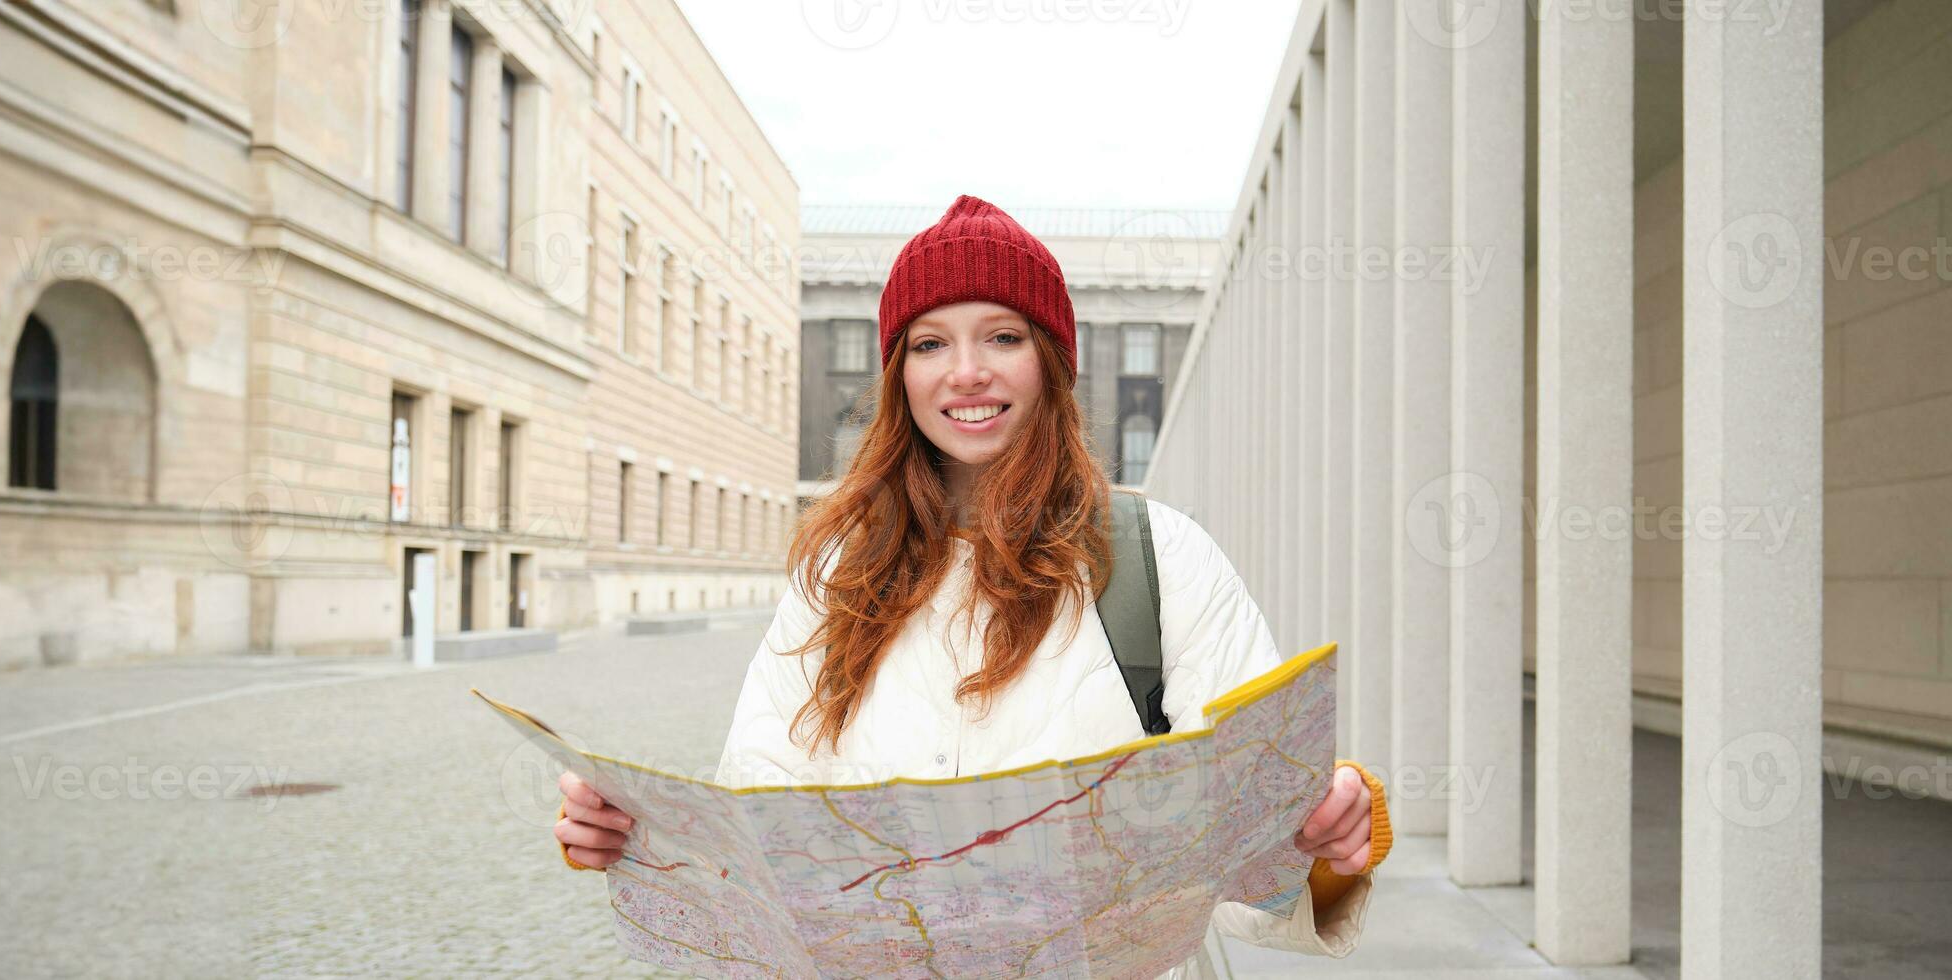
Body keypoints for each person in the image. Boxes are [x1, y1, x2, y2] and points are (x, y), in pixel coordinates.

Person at [549, 195, 1390, 976]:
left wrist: (1327, 845)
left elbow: (1253, 865)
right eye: (930, 343)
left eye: (1003, 336)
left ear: (1051, 363)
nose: (966, 372)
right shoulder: (835, 576)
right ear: (899, 376)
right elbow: (764, 825)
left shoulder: (1161, 557)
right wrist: (642, 838)